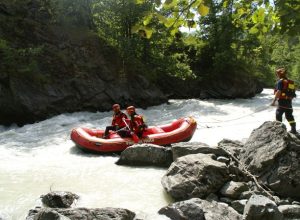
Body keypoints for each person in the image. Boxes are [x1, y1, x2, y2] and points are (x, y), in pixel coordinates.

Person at [271, 68, 297, 134]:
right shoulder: (290, 82)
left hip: (282, 101)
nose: (276, 75)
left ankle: (279, 131)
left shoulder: (280, 81)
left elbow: (279, 91)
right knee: (289, 116)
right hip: (289, 102)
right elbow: (292, 92)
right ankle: (293, 130)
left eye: (277, 74)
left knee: (278, 114)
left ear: (279, 74)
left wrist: (274, 101)